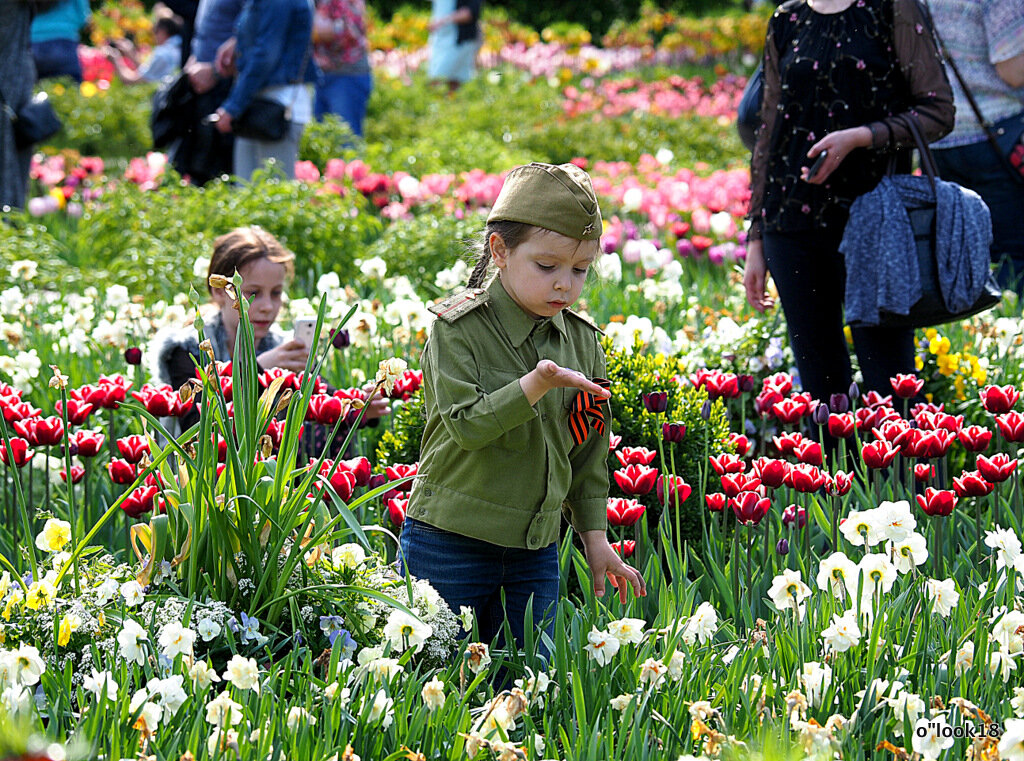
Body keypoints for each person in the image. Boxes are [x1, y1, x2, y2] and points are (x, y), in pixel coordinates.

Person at [399, 162, 646, 658]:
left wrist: (594, 535)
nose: (565, 285)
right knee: (431, 681)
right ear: (500, 250)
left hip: (536, 552)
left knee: (530, 683)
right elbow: (467, 426)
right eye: (547, 266)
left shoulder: (580, 341)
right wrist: (535, 384)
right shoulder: (459, 330)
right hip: (450, 542)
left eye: (580, 270)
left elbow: (589, 447)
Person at [743, 0, 954, 407]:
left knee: (890, 389)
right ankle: (828, 472)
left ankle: (893, 475)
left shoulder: (890, 9)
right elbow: (768, 134)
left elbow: (939, 111)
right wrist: (756, 236)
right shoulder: (787, 18)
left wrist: (861, 136)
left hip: (875, 222)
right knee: (820, 392)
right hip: (791, 226)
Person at [150, 225, 388, 438]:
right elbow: (198, 427)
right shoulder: (184, 348)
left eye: (275, 293)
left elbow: (325, 402)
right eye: (252, 292)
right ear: (219, 292)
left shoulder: (283, 347)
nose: (266, 306)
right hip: (197, 483)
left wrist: (360, 405)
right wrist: (259, 371)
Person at [929, 0, 1024, 296]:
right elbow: (1013, 71)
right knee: (1013, 257)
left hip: (941, 137)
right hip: (996, 136)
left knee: (967, 255)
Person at [213, 0, 318, 181]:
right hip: (258, 102)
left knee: (275, 193)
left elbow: (265, 56)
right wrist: (238, 43)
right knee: (247, 190)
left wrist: (232, 107)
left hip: (277, 104)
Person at [312, 0, 372, 139]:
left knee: (346, 141)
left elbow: (348, 32)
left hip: (346, 76)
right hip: (323, 75)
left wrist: (313, 28)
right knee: (321, 140)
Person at [1, 0, 36, 210]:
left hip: (9, 77)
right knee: (14, 148)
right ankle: (11, 212)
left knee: (11, 147)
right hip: (15, 75)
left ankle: (8, 213)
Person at [105, 15, 183, 85]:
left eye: (155, 31)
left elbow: (133, 80)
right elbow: (146, 72)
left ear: (163, 31)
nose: (154, 36)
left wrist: (116, 59)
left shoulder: (163, 53)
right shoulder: (178, 47)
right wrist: (130, 53)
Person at [427, 0, 482, 93]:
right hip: (440, 40)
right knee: (452, 82)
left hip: (459, 41)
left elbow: (470, 13)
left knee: (439, 79)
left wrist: (443, 21)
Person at [30, 0, 89, 83]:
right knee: (70, 89)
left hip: (32, 45)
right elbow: (82, 17)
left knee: (30, 92)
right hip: (64, 45)